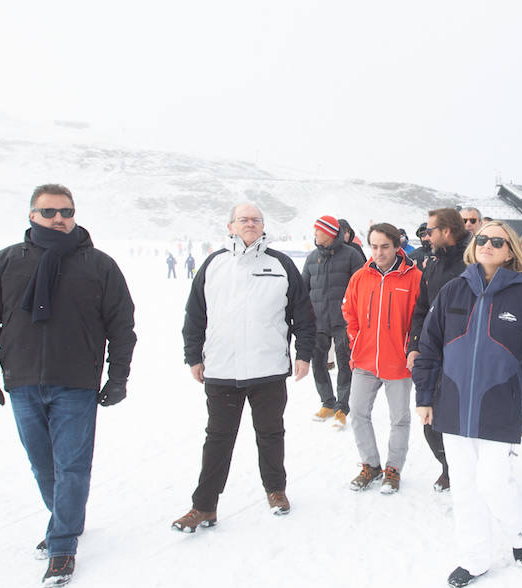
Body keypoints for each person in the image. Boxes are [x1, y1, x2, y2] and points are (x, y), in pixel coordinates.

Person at [0, 185, 136, 588]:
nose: (58, 217)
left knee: (72, 466)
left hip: (76, 383)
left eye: (66, 210)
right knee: (43, 466)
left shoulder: (98, 264)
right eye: (48, 212)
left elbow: (121, 325)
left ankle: (61, 545)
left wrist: (118, 376)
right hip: (22, 382)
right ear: (31, 216)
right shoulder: (7, 262)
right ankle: (67, 518)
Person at [414, 220, 522, 588]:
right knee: (464, 487)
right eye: (482, 239)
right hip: (454, 403)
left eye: (498, 241)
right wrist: (425, 396)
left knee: (492, 482)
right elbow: (429, 347)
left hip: (500, 403)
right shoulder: (452, 291)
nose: (488, 244)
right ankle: (474, 558)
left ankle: (521, 532)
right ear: (473, 245)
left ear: (510, 252)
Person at [174, 203, 314, 530]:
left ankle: (276, 490)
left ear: (263, 225)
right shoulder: (214, 264)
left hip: (268, 369)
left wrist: (303, 354)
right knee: (218, 439)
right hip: (222, 370)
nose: (250, 224)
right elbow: (195, 316)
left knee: (270, 434)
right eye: (243, 219)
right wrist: (193, 356)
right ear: (230, 225)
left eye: (255, 219)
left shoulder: (281, 265)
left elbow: (303, 316)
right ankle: (204, 506)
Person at [342, 223, 422, 493]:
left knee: (399, 418)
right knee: (358, 412)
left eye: (385, 246)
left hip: (398, 363)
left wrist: (410, 348)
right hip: (364, 360)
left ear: (397, 246)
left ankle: (393, 469)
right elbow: (349, 312)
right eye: (374, 246)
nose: (379, 252)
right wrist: (355, 340)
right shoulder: (360, 277)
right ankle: (371, 465)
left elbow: (421, 319)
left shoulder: (414, 278)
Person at [406, 208, 472, 491]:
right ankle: (448, 465)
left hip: (465, 356)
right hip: (431, 354)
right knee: (429, 420)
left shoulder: (474, 263)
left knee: (464, 418)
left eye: (430, 230)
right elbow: (420, 308)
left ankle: (468, 469)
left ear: (446, 231)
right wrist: (413, 346)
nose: (426, 236)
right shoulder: (432, 265)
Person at [302, 215, 364, 429]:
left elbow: (362, 290)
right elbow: (303, 290)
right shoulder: (311, 258)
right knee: (318, 362)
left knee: (344, 362)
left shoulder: (352, 256)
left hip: (343, 321)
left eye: (318, 230)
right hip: (317, 321)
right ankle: (327, 402)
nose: (315, 234)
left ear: (329, 232)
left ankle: (342, 407)